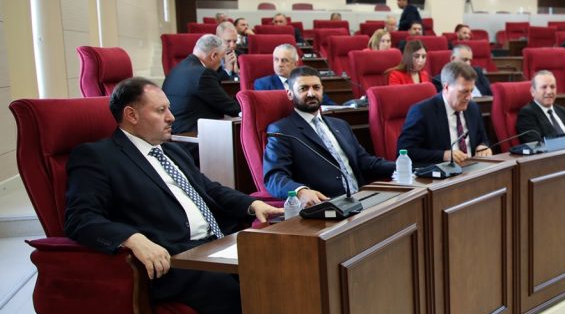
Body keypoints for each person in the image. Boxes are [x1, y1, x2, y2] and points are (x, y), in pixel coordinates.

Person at [64, 78, 283, 314]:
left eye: (168, 108)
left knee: (279, 265)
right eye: (161, 110)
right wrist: (132, 239)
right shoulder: (98, 156)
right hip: (171, 259)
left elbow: (209, 189)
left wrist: (252, 205)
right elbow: (80, 218)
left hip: (213, 246)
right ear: (131, 115)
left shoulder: (172, 150)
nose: (171, 117)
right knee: (229, 286)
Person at [263, 67, 394, 205]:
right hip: (327, 205)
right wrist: (300, 191)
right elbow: (274, 177)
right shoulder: (282, 130)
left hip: (362, 199)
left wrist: (401, 166)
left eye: (316, 88)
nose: (311, 93)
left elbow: (365, 162)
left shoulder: (341, 125)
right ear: (290, 94)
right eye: (303, 88)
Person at [397, 61, 492, 167]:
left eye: (471, 91)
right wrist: (443, 155)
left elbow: (482, 138)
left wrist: (483, 146)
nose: (469, 97)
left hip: (474, 169)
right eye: (464, 91)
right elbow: (405, 150)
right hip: (443, 173)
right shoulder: (423, 112)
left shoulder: (473, 108)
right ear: (446, 87)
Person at [162, 34, 240, 160]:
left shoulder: (178, 69)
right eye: (221, 59)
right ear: (214, 55)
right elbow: (231, 108)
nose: (221, 64)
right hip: (194, 140)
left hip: (176, 136)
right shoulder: (203, 74)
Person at [516, 70, 565, 139]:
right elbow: (535, 142)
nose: (549, 92)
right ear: (533, 91)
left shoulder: (562, 110)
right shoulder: (527, 114)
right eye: (544, 87)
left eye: (552, 87)